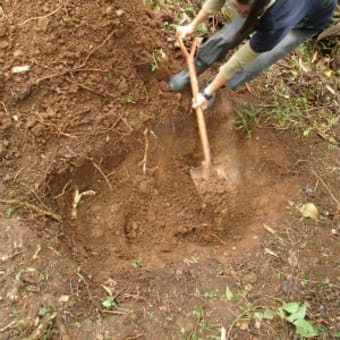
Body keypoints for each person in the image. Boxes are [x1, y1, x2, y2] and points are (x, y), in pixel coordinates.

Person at [168, 0, 337, 110]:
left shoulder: (278, 20)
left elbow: (241, 59)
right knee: (228, 36)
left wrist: (207, 93)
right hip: (264, 7)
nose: (231, 7)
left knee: (255, 62)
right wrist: (192, 25)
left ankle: (212, 89)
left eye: (238, 8)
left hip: (302, 24)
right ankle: (192, 70)